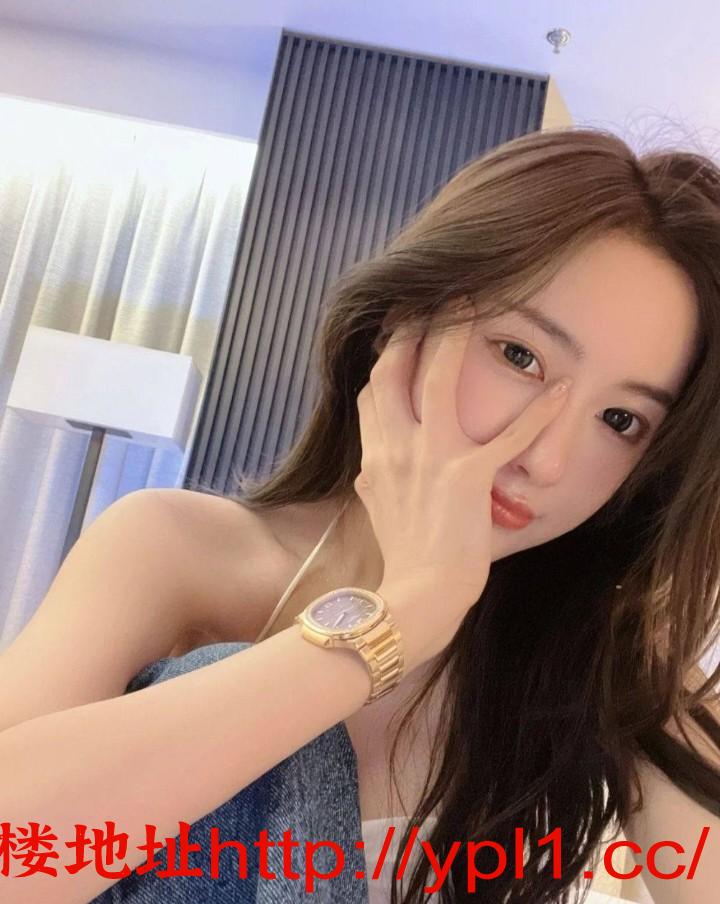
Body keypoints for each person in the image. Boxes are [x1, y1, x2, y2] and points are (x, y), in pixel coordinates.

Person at [1, 126, 719, 904]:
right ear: (403, 323)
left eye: (621, 421)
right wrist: (404, 614)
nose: (545, 461)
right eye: (521, 357)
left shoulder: (613, 666)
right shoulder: (177, 552)